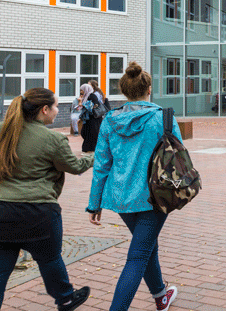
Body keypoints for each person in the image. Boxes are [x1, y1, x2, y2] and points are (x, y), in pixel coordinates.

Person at [86, 62, 182, 311]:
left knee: (146, 245)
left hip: (121, 197)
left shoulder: (109, 120)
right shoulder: (163, 117)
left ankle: (161, 294)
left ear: (125, 91)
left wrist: (94, 203)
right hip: (155, 197)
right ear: (148, 89)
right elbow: (180, 156)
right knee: (138, 256)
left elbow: (101, 164)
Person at [0, 88, 93, 311]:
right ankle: (66, 298)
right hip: (38, 213)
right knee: (49, 258)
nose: (57, 110)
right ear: (44, 110)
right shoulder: (52, 139)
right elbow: (74, 166)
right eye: (55, 106)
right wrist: (94, 157)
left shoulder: (5, 132)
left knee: (1, 269)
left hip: (3, 211)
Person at [79, 82, 104, 154]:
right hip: (88, 118)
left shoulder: (92, 95)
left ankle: (90, 150)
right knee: (85, 132)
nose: (81, 92)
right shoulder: (85, 96)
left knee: (92, 133)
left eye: (82, 90)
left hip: (94, 118)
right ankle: (87, 149)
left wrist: (83, 104)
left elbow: (95, 105)